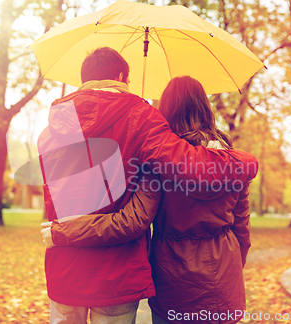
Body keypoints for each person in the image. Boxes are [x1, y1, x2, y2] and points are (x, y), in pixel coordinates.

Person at [38, 48, 256, 324]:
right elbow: (241, 225)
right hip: (120, 272)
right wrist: (243, 163)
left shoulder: (50, 131)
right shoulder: (145, 125)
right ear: (120, 76)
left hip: (67, 267)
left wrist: (62, 231)